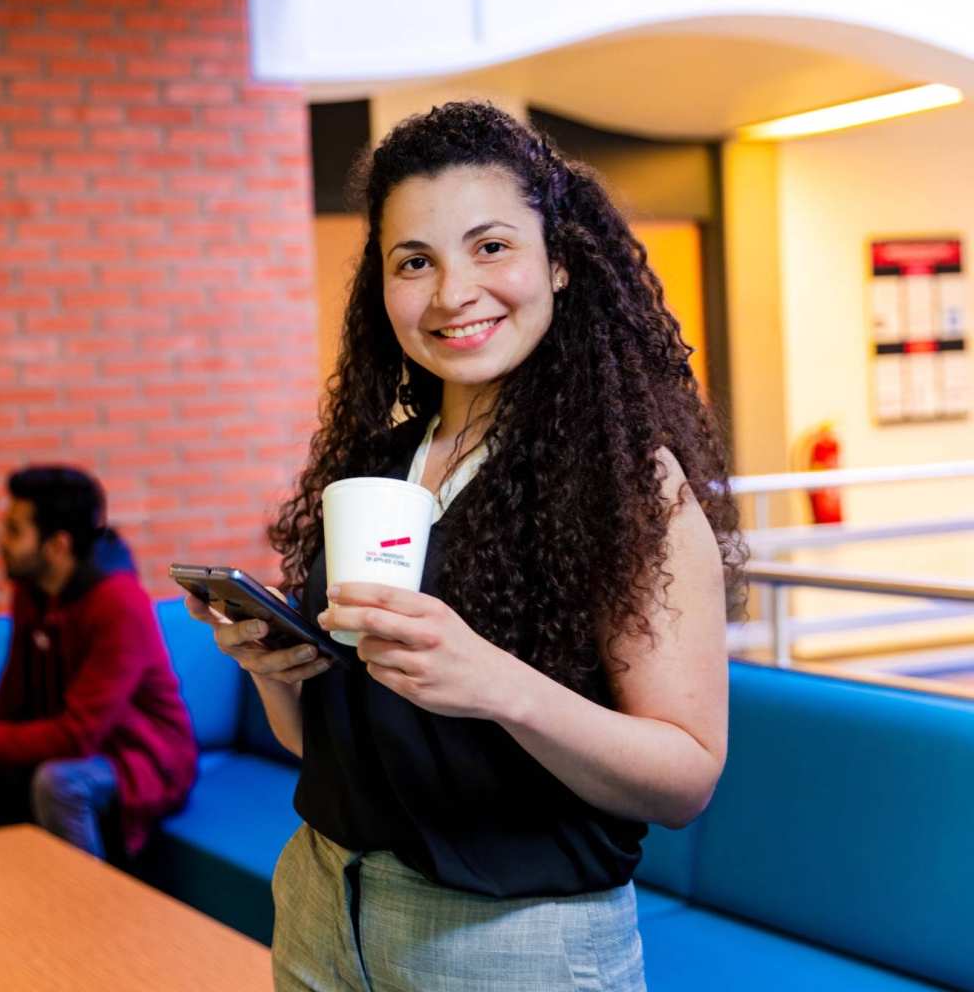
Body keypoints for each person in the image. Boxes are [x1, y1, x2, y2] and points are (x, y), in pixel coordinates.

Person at [185, 102, 745, 991]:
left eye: (491, 247)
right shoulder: (374, 471)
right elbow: (326, 747)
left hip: (514, 943)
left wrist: (495, 685)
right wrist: (271, 669)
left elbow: (684, 779)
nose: (452, 293)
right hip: (323, 903)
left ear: (559, 262)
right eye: (416, 261)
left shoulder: (632, 485)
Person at [0, 466, 197, 861]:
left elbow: (78, 735)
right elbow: (12, 699)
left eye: (14, 531)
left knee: (57, 783)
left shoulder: (120, 605)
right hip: (74, 751)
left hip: (140, 761)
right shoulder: (32, 593)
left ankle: (88, 910)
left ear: (57, 545)